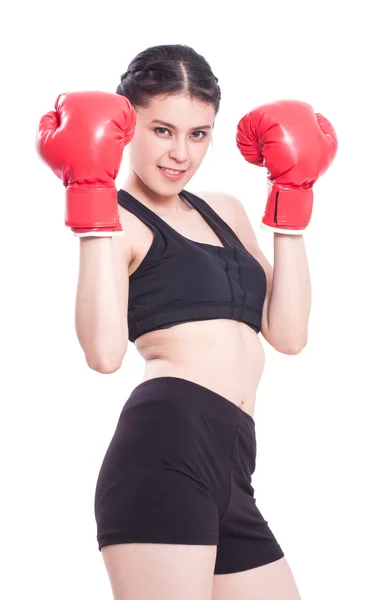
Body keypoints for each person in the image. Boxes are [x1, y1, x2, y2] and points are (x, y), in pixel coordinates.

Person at [36, 44, 337, 600]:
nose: (180, 154)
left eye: (198, 134)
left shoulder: (224, 210)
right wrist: (91, 204)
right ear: (125, 127)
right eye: (162, 130)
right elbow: (104, 355)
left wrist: (291, 200)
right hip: (165, 452)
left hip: (233, 466)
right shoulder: (117, 218)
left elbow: (288, 335)